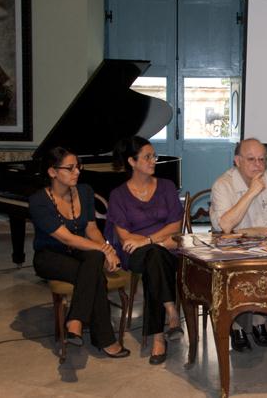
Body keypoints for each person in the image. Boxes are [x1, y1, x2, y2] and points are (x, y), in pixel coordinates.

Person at [29, 147, 129, 358]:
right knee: (94, 275)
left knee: (93, 260)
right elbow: (67, 238)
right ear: (52, 172)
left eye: (78, 167)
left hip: (79, 251)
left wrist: (107, 250)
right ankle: (105, 339)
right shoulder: (39, 200)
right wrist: (106, 250)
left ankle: (75, 321)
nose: (77, 172)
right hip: (50, 255)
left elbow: (91, 229)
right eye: (70, 168)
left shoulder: (85, 191)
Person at [104, 136, 184, 365]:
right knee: (153, 257)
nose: (153, 161)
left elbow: (175, 226)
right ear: (132, 161)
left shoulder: (166, 187)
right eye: (147, 157)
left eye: (153, 156)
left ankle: (158, 337)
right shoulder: (119, 195)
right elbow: (125, 237)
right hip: (136, 252)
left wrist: (148, 240)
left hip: (164, 248)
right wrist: (151, 242)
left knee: (154, 260)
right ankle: (171, 312)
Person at [210, 138, 267, 351]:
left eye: (262, 160)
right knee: (245, 271)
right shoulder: (223, 185)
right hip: (234, 250)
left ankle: (261, 319)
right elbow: (226, 226)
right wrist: (251, 192)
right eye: (251, 160)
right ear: (237, 161)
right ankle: (237, 324)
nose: (258, 165)